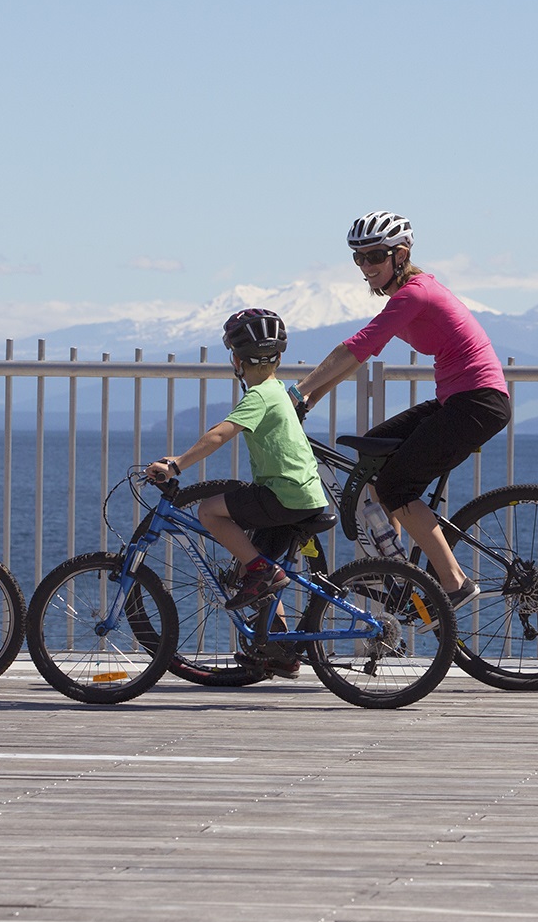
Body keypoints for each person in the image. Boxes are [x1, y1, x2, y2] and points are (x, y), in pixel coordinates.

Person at [294, 211, 511, 608]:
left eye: (374, 256)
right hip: (459, 398)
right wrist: (310, 400)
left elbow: (355, 346)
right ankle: (390, 566)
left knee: (396, 486)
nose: (366, 266)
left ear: (401, 254)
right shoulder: (405, 294)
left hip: (477, 402)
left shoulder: (416, 293)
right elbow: (360, 357)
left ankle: (454, 583)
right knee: (373, 449)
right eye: (358, 258)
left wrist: (296, 391)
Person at [143, 309, 329, 674]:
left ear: (237, 360)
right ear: (277, 358)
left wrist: (176, 464)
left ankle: (262, 570)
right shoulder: (278, 390)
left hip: (284, 496)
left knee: (210, 513)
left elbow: (219, 434)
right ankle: (280, 652)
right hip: (303, 495)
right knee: (257, 567)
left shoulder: (259, 396)